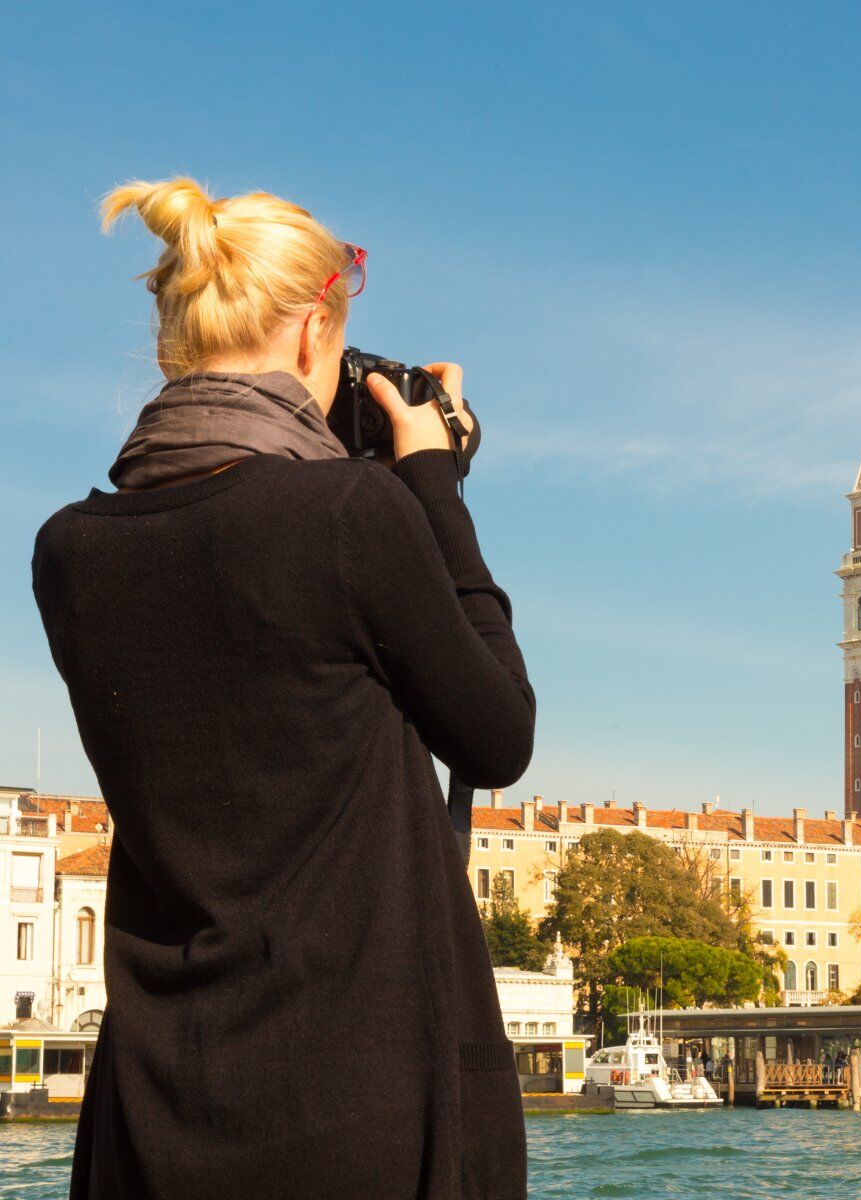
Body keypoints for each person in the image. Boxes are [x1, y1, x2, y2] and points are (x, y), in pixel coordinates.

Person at [31, 178, 536, 1200]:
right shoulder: (353, 514)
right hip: (362, 1099)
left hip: (150, 1103)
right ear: (314, 328)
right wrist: (431, 484)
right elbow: (498, 736)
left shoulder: (67, 550)